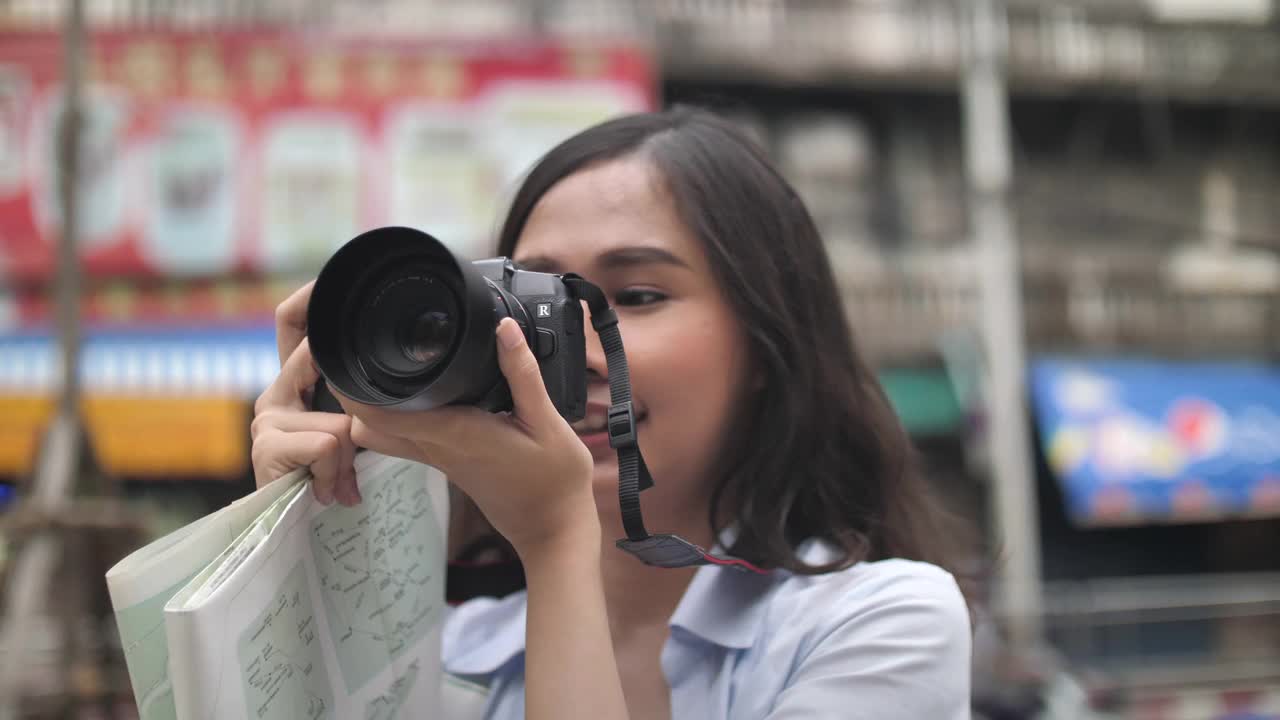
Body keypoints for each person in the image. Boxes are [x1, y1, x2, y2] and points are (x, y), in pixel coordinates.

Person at [250, 107, 973, 720]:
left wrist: (557, 538)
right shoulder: (444, 657)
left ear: (765, 339)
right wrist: (304, 540)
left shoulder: (878, 626)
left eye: (637, 297)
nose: (583, 353)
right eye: (541, 305)